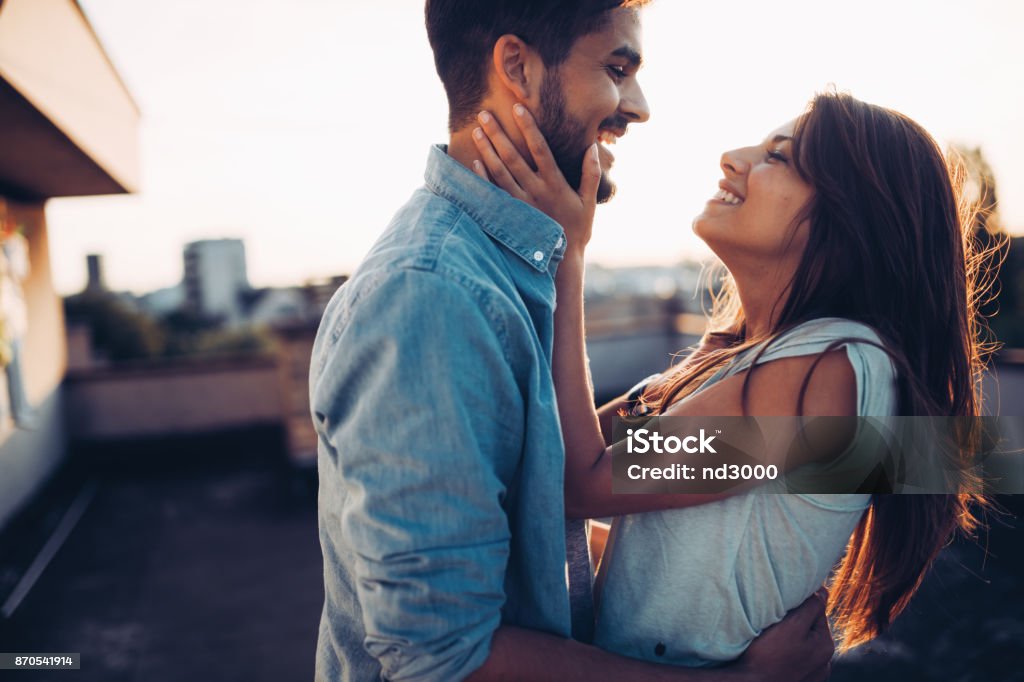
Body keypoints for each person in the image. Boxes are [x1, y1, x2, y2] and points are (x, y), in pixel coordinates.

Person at [311, 1, 836, 680]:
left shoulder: (496, 276)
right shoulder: (433, 295)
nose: (638, 106)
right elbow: (442, 656)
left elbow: (561, 505)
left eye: (779, 157)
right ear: (517, 68)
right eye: (617, 68)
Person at [470, 89, 990, 668]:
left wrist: (565, 252)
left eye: (780, 157)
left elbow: (578, 481)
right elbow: (576, 474)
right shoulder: (746, 360)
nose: (733, 157)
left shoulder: (833, 370)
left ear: (850, 220)